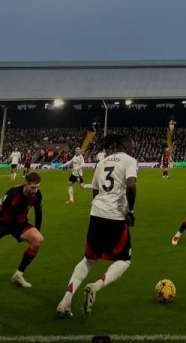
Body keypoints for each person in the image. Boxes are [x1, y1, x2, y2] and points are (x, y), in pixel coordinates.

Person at [56, 134, 137, 318]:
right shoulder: (129, 160)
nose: (133, 147)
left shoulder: (102, 162)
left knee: (88, 260)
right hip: (115, 217)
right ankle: (95, 287)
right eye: (131, 144)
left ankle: (65, 301)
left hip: (96, 214)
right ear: (125, 145)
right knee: (125, 260)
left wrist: (97, 208)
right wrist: (130, 211)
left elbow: (94, 189)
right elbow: (131, 186)